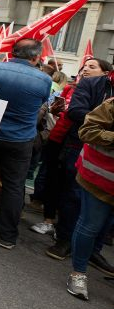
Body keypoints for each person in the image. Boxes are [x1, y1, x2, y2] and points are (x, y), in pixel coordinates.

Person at [0, 39, 49, 249]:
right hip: (20, 138)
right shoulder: (44, 79)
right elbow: (40, 103)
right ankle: (7, 236)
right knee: (14, 186)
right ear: (36, 57)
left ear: (13, 52)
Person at [48, 58, 114, 264]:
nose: (86, 69)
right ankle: (65, 239)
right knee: (75, 195)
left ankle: (94, 249)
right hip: (83, 147)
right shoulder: (91, 84)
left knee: (109, 208)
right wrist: (106, 120)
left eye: (91, 66)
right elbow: (76, 111)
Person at [65, 98, 114, 301]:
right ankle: (78, 273)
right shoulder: (111, 105)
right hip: (99, 180)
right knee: (90, 226)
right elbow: (86, 131)